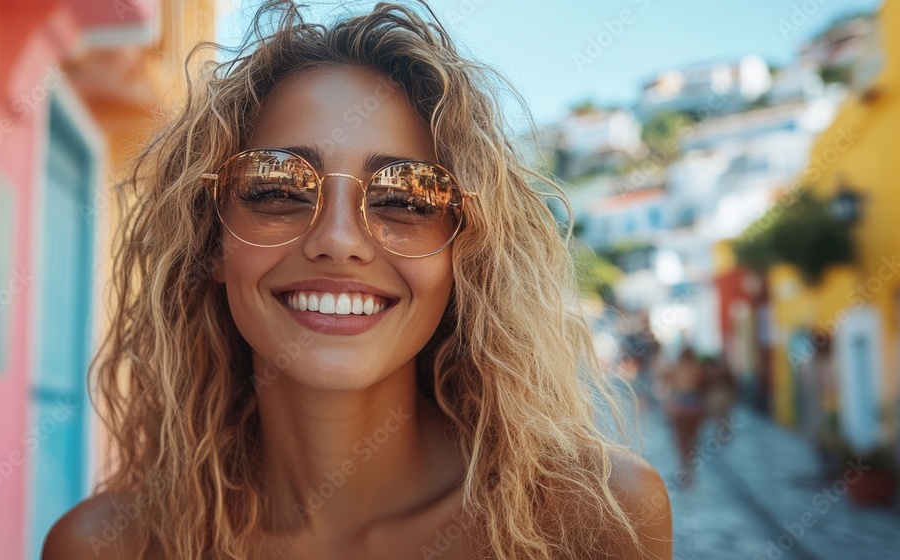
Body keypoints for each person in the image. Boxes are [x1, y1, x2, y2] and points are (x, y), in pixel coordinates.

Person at [42, 1, 671, 558]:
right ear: (212, 240)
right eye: (277, 188)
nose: (339, 240)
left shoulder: (599, 519)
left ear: (464, 253)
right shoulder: (104, 548)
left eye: (406, 199)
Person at [660, 347, 706, 488]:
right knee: (692, 440)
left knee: (681, 440)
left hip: (679, 404)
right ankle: (689, 470)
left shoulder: (674, 368)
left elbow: (665, 381)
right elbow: (704, 386)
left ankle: (683, 470)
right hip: (693, 404)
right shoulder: (698, 369)